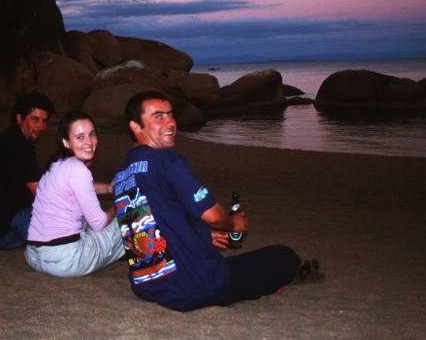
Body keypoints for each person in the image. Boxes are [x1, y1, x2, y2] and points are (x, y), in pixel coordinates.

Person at [113, 91, 318, 311]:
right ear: (136, 126)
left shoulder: (121, 176)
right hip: (196, 286)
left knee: (240, 265)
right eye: (158, 117)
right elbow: (213, 216)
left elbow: (153, 223)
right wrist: (232, 224)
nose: (170, 122)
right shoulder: (166, 159)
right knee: (283, 256)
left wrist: (203, 234)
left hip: (148, 286)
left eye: (171, 115)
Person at [25, 110, 124, 277]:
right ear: (66, 142)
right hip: (67, 260)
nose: (89, 142)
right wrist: (118, 206)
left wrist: (108, 188)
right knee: (136, 212)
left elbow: (82, 188)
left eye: (92, 134)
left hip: (34, 256)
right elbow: (99, 223)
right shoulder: (78, 170)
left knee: (83, 213)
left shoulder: (55, 165)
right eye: (80, 137)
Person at [0, 91, 54, 250]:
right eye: (35, 119)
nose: (41, 127)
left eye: (44, 121)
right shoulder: (20, 147)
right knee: (62, 210)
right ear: (19, 118)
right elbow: (43, 194)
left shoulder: (8, 139)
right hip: (1, 235)